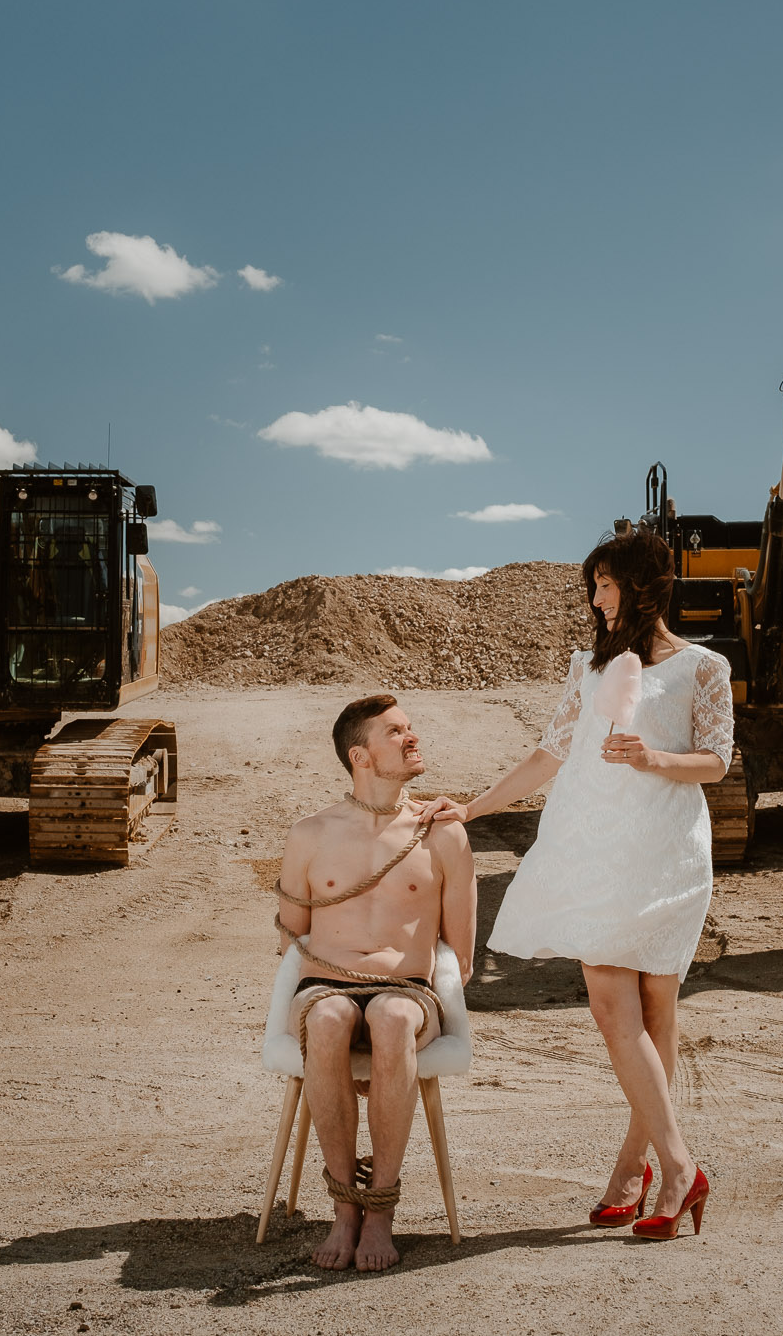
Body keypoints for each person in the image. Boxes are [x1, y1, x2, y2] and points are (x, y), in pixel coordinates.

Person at [420, 528, 731, 1240]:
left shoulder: (702, 667)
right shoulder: (587, 669)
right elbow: (549, 753)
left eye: (605, 584)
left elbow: (716, 761)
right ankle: (680, 1167)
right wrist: (468, 806)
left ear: (643, 583)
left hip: (663, 851)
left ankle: (634, 1165)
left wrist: (652, 755)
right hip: (590, 849)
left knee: (656, 1015)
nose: (595, 599)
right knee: (610, 1008)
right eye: (591, 586)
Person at [275, 694, 477, 1272]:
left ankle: (380, 1211)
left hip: (408, 991)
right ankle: (344, 1210)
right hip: (326, 986)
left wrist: (415, 1019)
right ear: (360, 755)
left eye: (411, 728)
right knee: (330, 1018)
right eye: (396, 732)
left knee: (389, 1018)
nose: (412, 738)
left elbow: (458, 952)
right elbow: (292, 936)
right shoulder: (310, 833)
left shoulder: (441, 834)